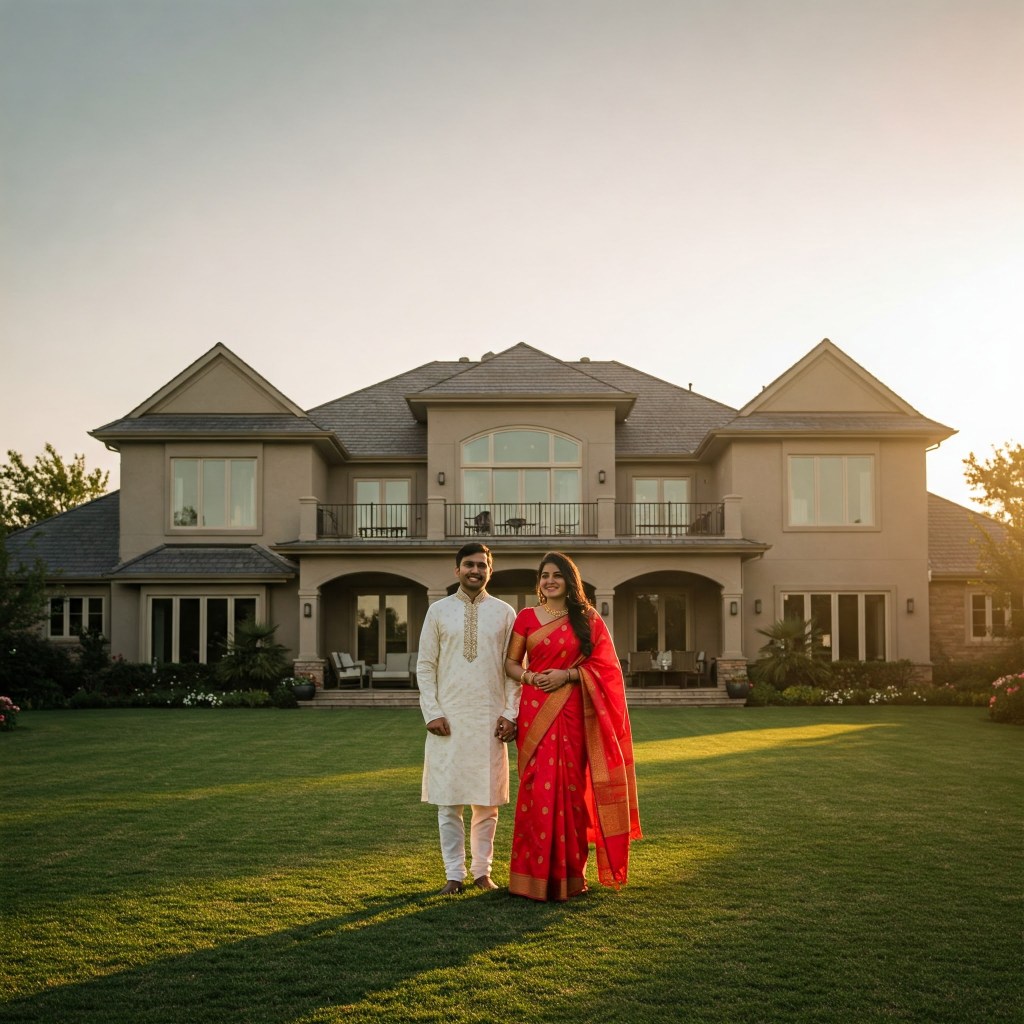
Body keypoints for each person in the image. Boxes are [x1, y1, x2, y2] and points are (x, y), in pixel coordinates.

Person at [504, 551, 641, 901]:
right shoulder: (525, 618)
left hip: (574, 713)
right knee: (536, 792)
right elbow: (510, 664)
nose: (549, 580)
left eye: (557, 575)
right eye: (544, 575)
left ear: (569, 580)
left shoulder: (588, 618)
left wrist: (568, 674)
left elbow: (608, 669)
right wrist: (532, 676)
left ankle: (570, 878)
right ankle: (529, 879)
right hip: (536, 711)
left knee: (571, 793)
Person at [417, 542, 521, 895]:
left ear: (491, 570)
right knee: (449, 803)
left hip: (490, 721)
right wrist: (432, 712)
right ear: (456, 569)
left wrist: (510, 713)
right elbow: (425, 665)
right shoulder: (439, 611)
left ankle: (481, 872)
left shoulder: (506, 613)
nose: (475, 571)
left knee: (487, 803)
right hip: (449, 720)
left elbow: (515, 670)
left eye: (482, 565)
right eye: (469, 565)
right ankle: (453, 875)